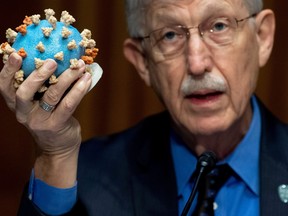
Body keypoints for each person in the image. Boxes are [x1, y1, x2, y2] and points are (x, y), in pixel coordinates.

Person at [1, 0, 287, 215]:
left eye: (219, 26)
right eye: (170, 36)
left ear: (262, 38)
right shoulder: (85, 179)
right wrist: (56, 154)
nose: (197, 64)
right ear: (142, 62)